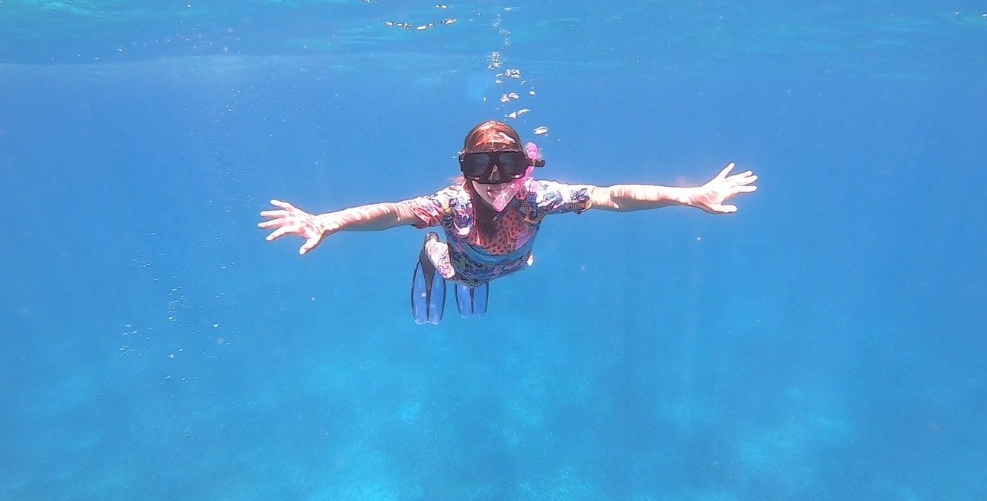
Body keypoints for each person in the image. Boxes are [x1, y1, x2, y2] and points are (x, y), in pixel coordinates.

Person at [259, 120, 758, 324]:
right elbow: (392, 213)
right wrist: (330, 221)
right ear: (464, 170)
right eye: (480, 168)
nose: (495, 181)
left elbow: (612, 196)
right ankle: (431, 254)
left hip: (507, 265)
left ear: (527, 167)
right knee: (454, 272)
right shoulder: (451, 205)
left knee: (484, 287)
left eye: (508, 167)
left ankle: (465, 268)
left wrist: (691, 196)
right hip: (462, 262)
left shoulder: (538, 198)